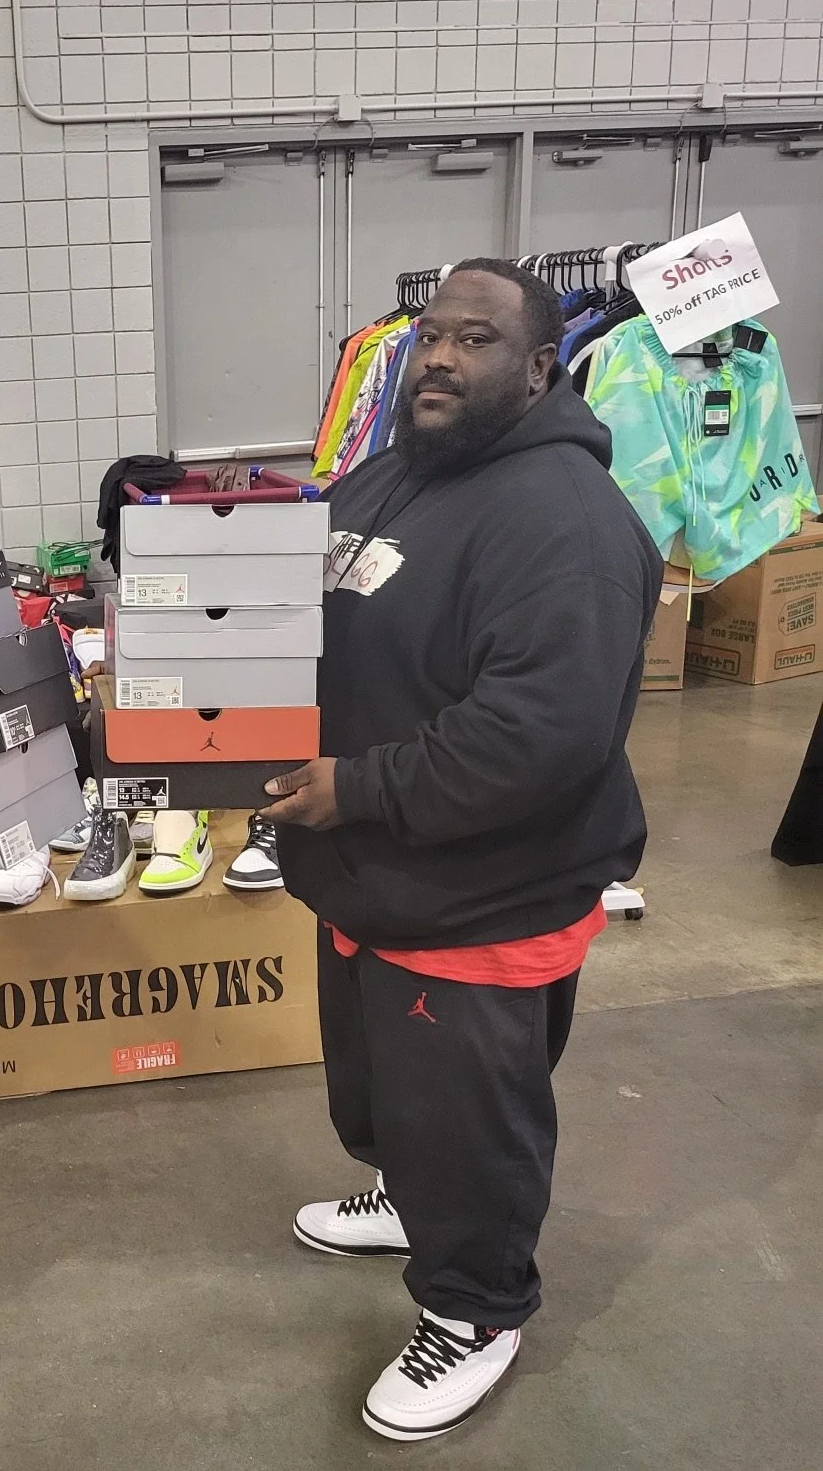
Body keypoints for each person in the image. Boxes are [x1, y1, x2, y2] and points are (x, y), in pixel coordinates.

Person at [262, 258, 661, 1442]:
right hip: (377, 874)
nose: (437, 357)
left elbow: (544, 733)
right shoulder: (394, 474)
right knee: (385, 1089)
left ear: (541, 367)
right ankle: (406, 1193)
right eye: (430, 336)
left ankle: (476, 1307)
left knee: (470, 1119)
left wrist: (360, 785)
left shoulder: (568, 523)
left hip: (480, 900)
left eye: (474, 341)